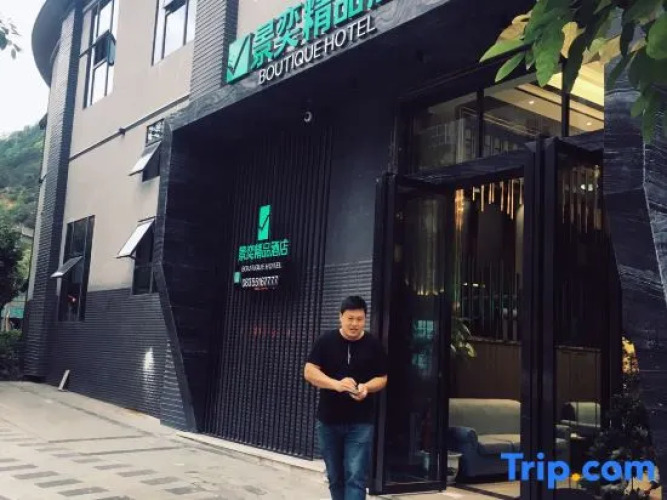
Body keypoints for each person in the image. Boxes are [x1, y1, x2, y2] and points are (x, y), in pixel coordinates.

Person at [304, 296, 388, 500]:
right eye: (350, 318)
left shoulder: (373, 344)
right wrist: (337, 384)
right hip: (328, 421)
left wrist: (366, 387)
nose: (354, 324)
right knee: (335, 476)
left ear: (365, 319)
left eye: (359, 319)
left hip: (361, 422)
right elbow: (309, 371)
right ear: (340, 317)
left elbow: (382, 378)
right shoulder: (326, 341)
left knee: (355, 476)